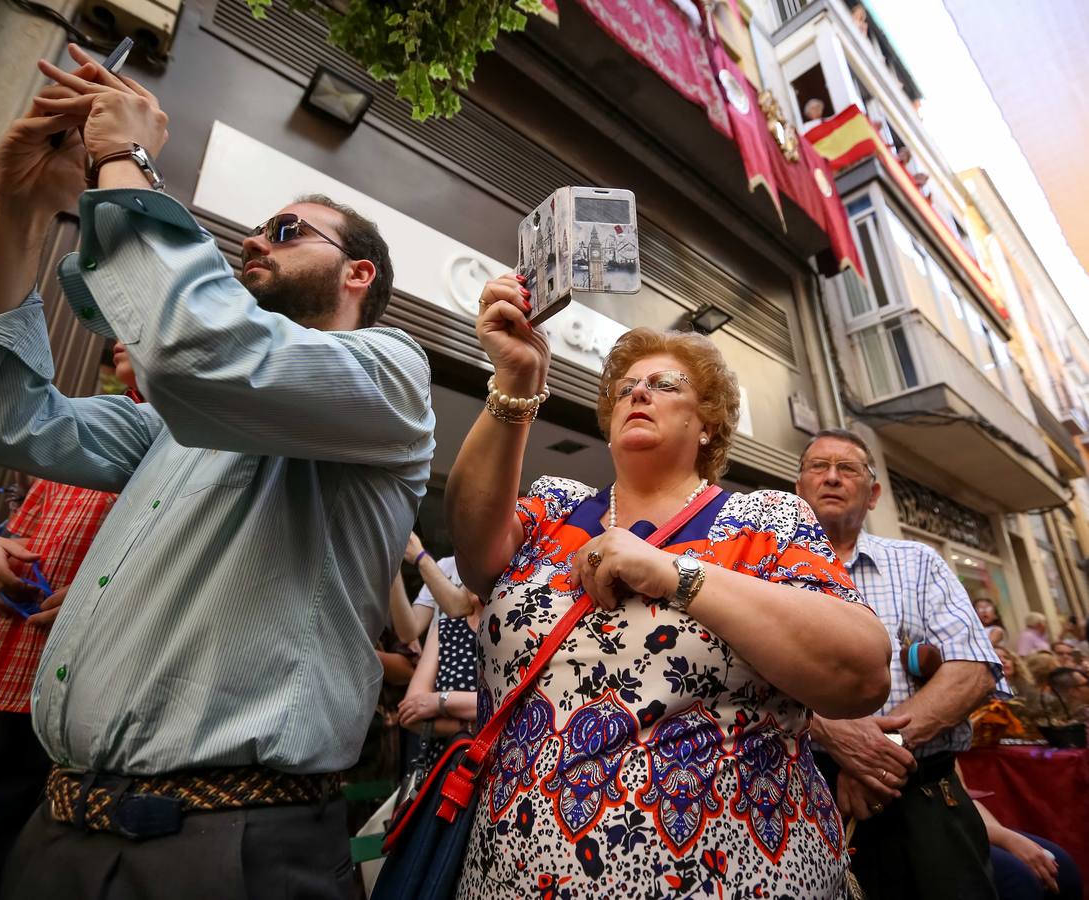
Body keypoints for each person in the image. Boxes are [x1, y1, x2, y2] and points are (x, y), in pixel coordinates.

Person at [0, 46, 434, 900]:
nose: (253, 238)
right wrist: (21, 205)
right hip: (61, 823)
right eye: (257, 227)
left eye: (286, 231)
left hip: (225, 847)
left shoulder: (388, 373)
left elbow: (197, 350)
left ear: (356, 273)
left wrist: (128, 161)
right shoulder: (173, 428)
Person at [445, 293, 891, 898]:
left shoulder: (766, 520)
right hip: (512, 875)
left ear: (707, 421)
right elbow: (474, 554)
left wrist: (675, 575)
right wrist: (516, 377)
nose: (638, 393)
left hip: (737, 877)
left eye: (663, 384)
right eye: (626, 387)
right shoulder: (554, 507)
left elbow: (860, 672)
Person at [0, 343, 138, 900]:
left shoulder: (192, 439)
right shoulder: (78, 429)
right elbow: (24, 536)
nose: (121, 335)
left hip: (102, 687)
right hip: (27, 674)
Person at [796, 428, 1006, 900]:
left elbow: (973, 667)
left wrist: (877, 753)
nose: (831, 477)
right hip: (803, 797)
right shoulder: (762, 571)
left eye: (847, 468)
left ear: (873, 494)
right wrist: (830, 732)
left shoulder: (919, 562)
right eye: (817, 467)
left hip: (925, 796)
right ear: (798, 490)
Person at [960, 766, 1082, 900]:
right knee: (1018, 880)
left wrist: (1005, 836)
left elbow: (962, 795)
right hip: (937, 833)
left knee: (1063, 871)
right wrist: (1005, 839)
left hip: (959, 822)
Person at [397, 599, 480, 770]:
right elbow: (409, 715)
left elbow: (514, 705)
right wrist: (470, 725)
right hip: (445, 768)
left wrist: (440, 702)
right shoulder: (447, 630)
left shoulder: (522, 628)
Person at [402, 531, 475, 637]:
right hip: (436, 651)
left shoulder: (490, 567)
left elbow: (460, 608)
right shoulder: (444, 565)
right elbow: (409, 631)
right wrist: (393, 568)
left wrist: (421, 557)